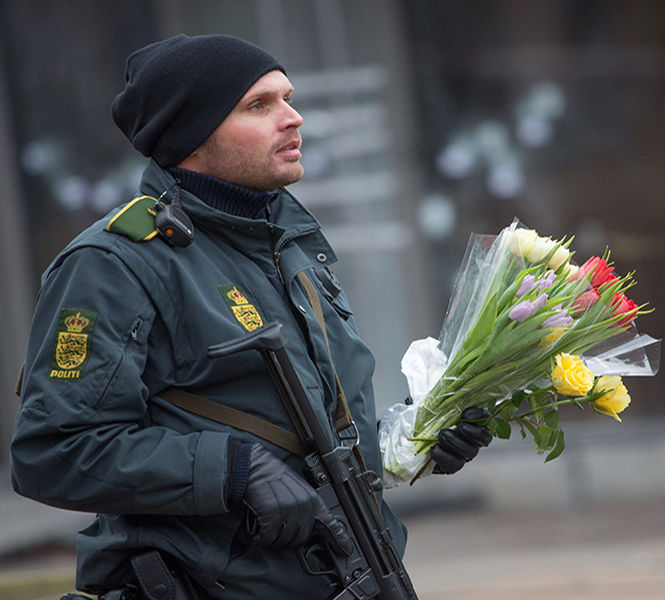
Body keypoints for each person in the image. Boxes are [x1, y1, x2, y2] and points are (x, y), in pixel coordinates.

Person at [10, 34, 491, 600]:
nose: (293, 118)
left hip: (352, 577)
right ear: (192, 134)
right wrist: (231, 470)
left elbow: (301, 428)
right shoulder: (115, 263)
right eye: (259, 106)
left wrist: (415, 438)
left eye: (287, 98)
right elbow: (53, 452)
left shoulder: (288, 243)